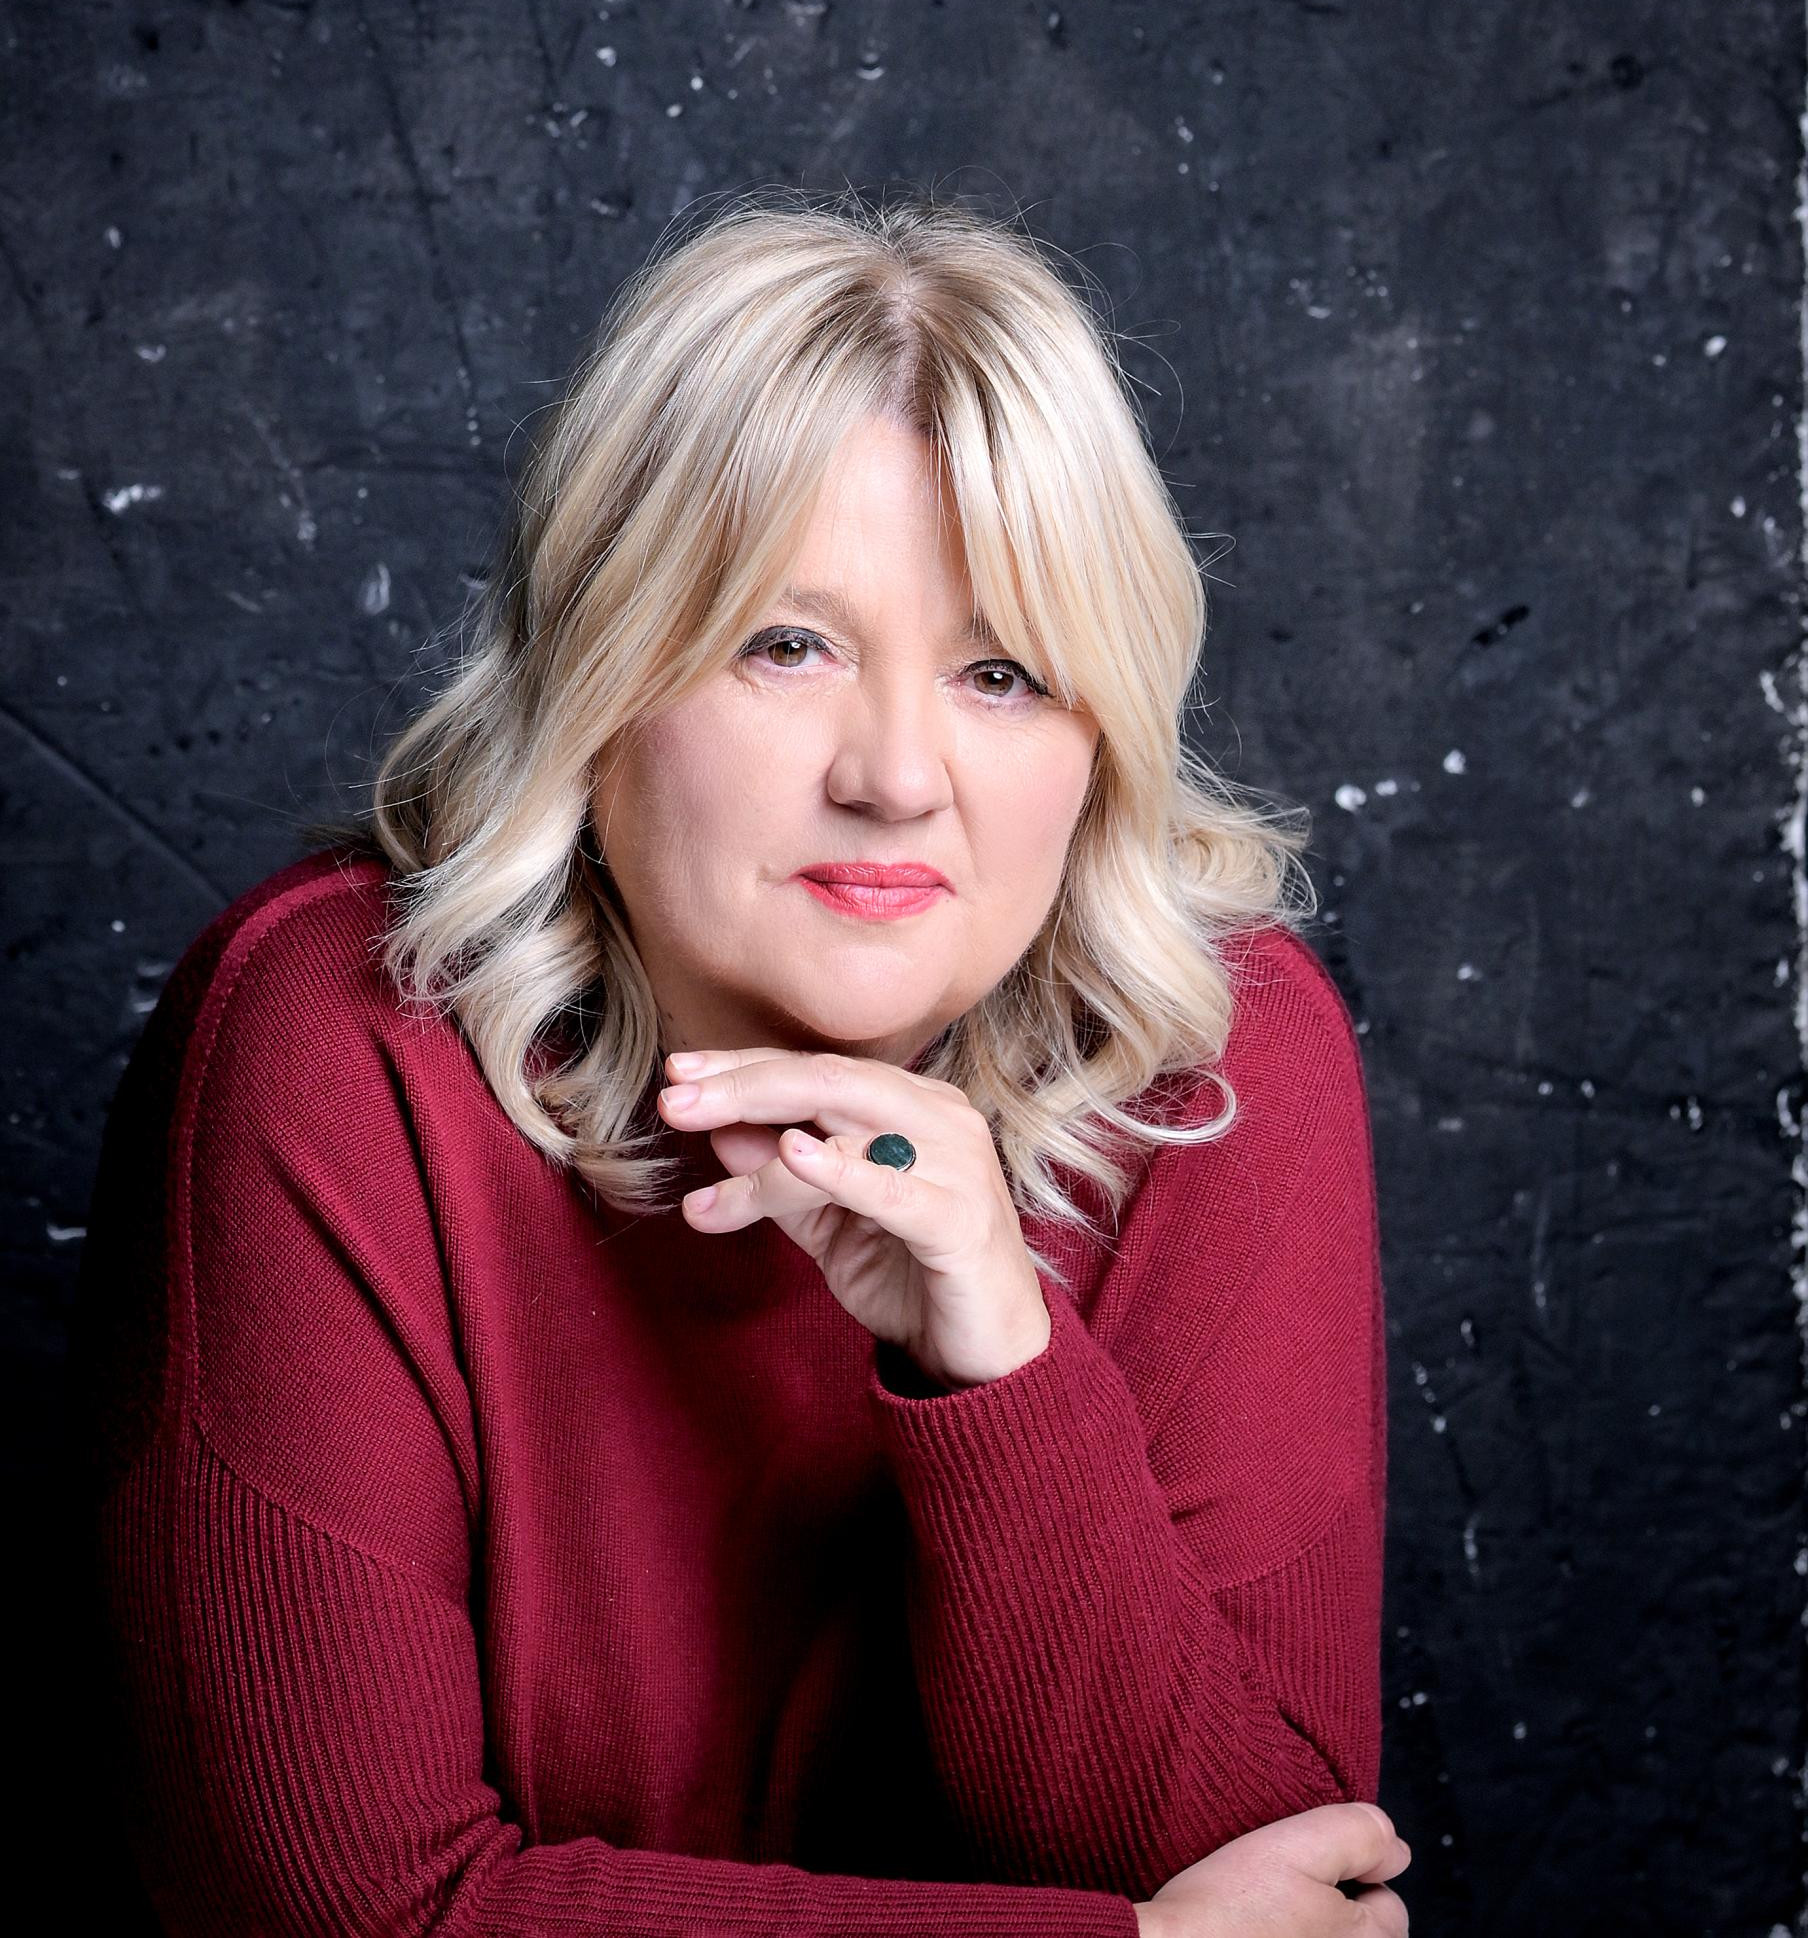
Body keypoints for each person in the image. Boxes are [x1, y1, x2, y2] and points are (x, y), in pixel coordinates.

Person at [72, 188, 1411, 1935]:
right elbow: (343, 1914)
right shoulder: (334, 1035)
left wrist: (1000, 1366)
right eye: (788, 645)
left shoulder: (1208, 1060)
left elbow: (1296, 1876)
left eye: (1006, 670)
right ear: (602, 672)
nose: (898, 776)